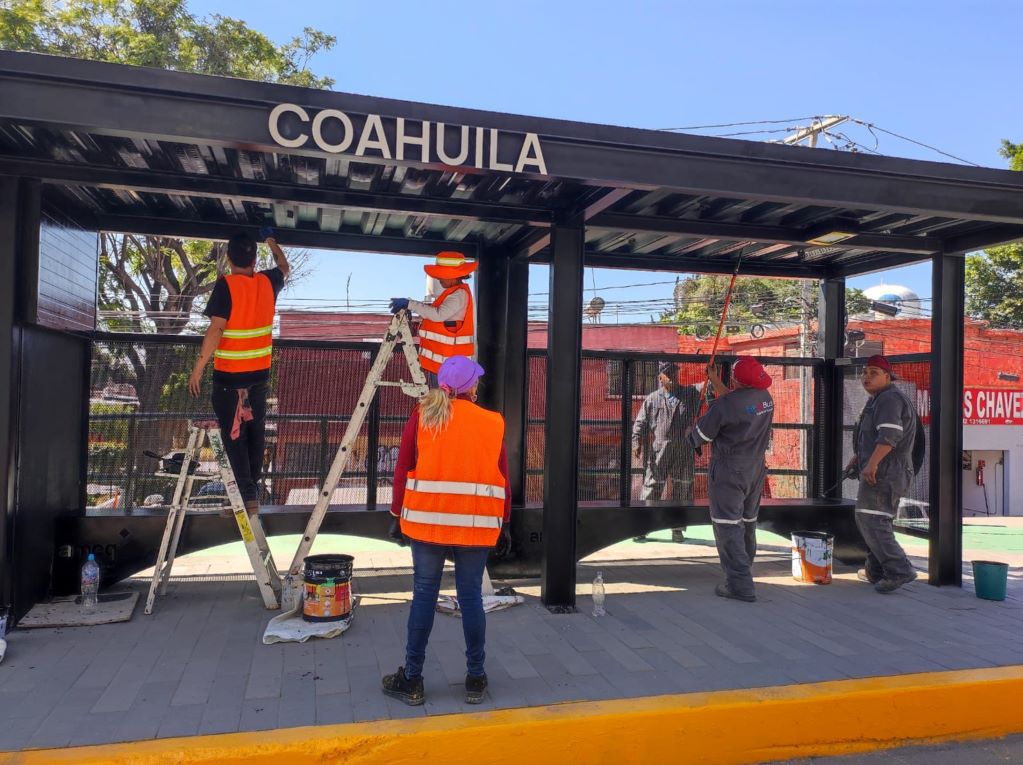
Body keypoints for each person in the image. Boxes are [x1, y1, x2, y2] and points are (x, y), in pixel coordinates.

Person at [382, 356, 511, 706]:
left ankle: (412, 679)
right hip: (475, 525)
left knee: (424, 595)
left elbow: (403, 467)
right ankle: (475, 679)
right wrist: (505, 521)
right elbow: (502, 476)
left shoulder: (423, 415)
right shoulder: (491, 422)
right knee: (471, 598)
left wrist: (396, 514)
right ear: (472, 386)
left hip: (427, 524)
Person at [188, 228, 290, 517]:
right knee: (255, 434)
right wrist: (271, 241)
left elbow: (216, 330)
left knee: (234, 438)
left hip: (229, 379)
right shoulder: (268, 282)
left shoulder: (227, 286)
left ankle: (244, 498)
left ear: (229, 259)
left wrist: (198, 368)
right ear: (254, 260)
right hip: (258, 376)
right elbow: (284, 266)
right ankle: (250, 495)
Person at [686, 356, 774, 603]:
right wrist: (715, 380)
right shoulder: (765, 398)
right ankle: (744, 570)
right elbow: (738, 405)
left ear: (736, 380)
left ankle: (739, 584)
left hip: (729, 471)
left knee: (727, 525)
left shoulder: (725, 406)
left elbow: (701, 436)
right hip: (755, 469)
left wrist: (691, 432)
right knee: (747, 522)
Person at [847, 355, 918, 594]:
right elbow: (874, 437)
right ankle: (876, 571)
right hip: (883, 469)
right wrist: (860, 458)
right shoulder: (878, 399)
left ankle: (899, 569)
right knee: (872, 518)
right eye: (865, 372)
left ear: (887, 377)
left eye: (874, 373)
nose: (866, 377)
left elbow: (889, 436)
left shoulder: (889, 399)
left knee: (872, 519)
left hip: (885, 472)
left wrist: (872, 464)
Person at [631, 361, 701, 543]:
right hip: (660, 449)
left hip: (684, 449)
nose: (672, 377)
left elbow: (708, 385)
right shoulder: (652, 399)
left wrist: (712, 373)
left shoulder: (690, 393)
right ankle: (641, 527)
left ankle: (677, 528)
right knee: (652, 487)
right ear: (660, 377)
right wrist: (636, 441)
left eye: (674, 373)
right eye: (668, 374)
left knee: (683, 487)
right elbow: (640, 422)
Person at [389, 252, 476, 383]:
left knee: (442, 396)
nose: (439, 279)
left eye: (441, 275)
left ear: (453, 276)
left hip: (448, 364)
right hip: (445, 362)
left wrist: (410, 304)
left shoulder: (459, 295)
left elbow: (437, 315)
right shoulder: (455, 294)